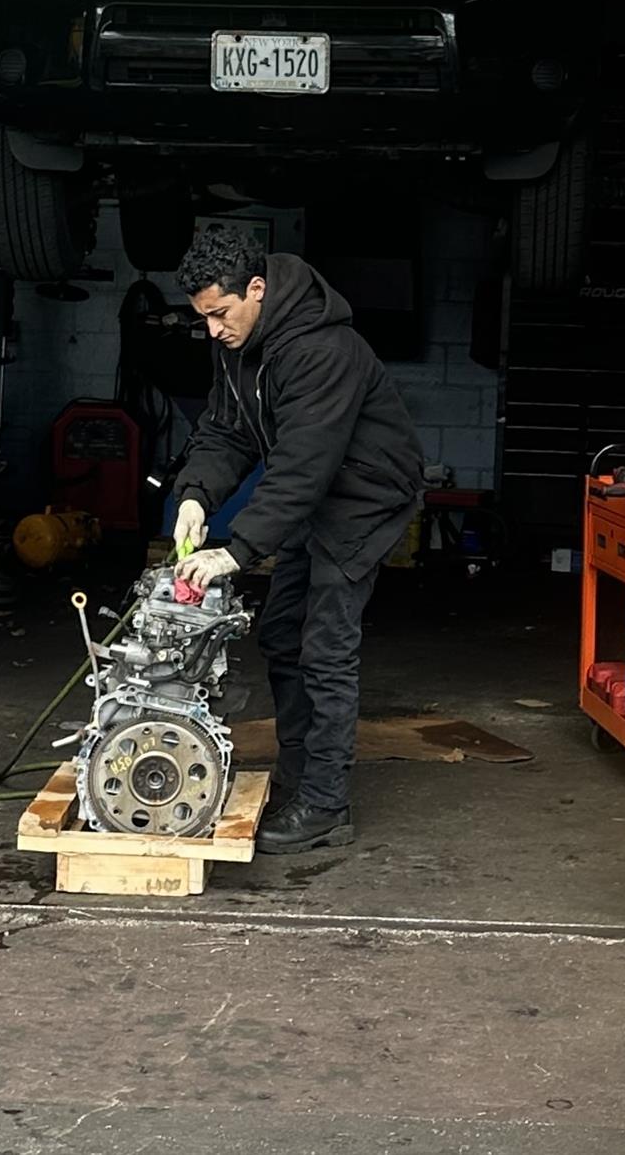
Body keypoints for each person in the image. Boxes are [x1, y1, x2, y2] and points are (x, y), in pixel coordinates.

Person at [170, 227, 425, 854]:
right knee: (281, 633)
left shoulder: (323, 350)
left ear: (256, 289)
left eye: (221, 313)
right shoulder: (238, 344)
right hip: (315, 495)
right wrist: (196, 496)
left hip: (363, 496)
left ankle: (326, 805)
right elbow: (226, 430)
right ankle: (297, 776)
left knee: (325, 647)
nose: (213, 330)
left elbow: (303, 466)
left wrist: (236, 550)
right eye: (203, 318)